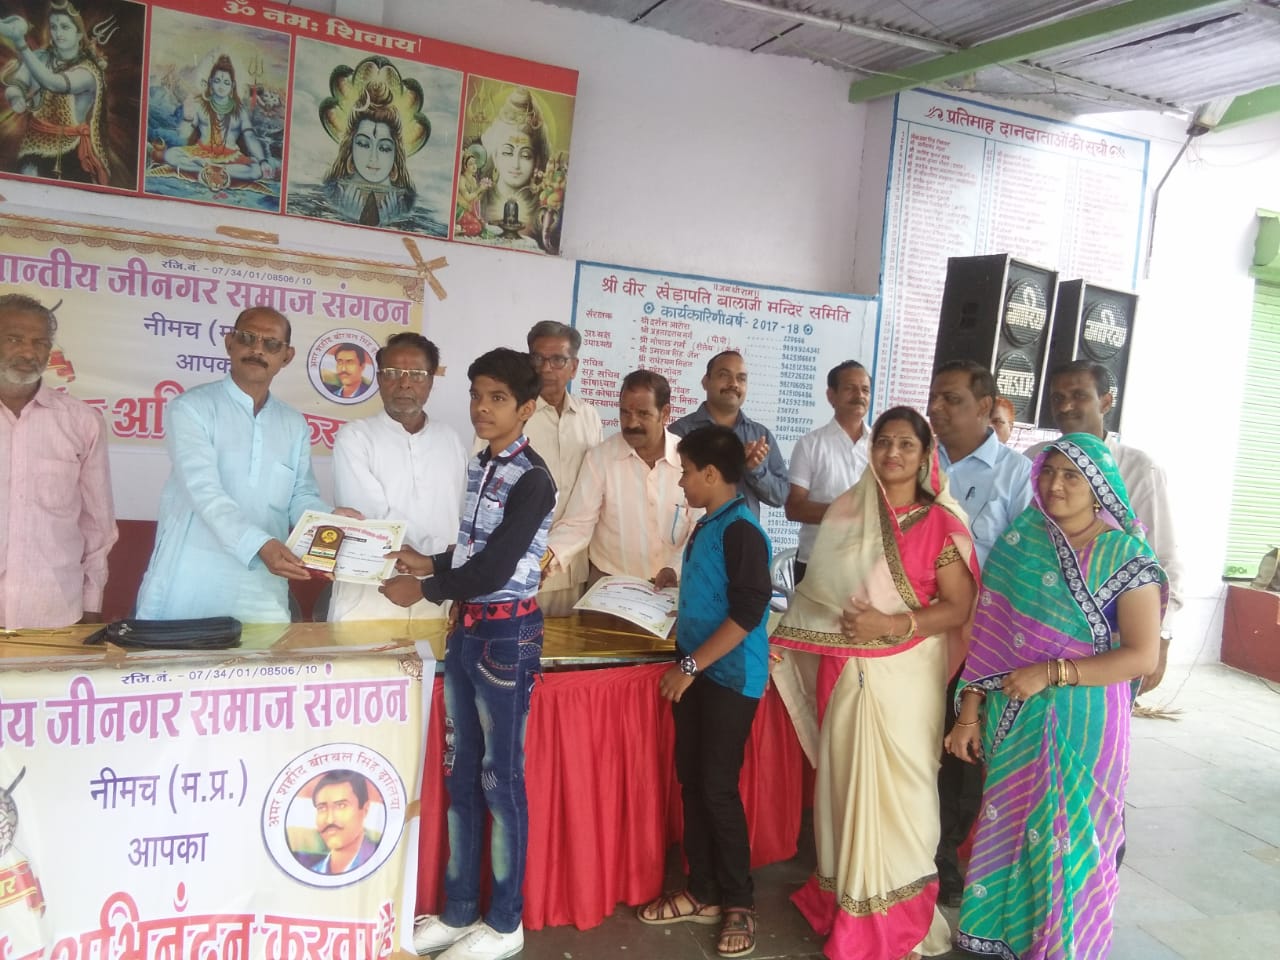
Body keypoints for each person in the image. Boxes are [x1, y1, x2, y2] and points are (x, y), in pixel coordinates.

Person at [946, 433, 1165, 960]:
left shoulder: (1126, 554)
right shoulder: (1020, 542)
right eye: (1047, 472)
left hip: (1084, 721)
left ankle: (1065, 946)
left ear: (1099, 486)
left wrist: (1051, 673)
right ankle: (1011, 940)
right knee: (1012, 827)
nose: (1055, 485)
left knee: (1074, 840)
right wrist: (969, 714)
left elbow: (1141, 656)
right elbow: (988, 638)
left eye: (1071, 475)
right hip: (1014, 716)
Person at [771, 407, 978, 960]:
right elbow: (819, 596)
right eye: (884, 442)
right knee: (842, 787)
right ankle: (848, 900)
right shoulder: (847, 511)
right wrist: (787, 635)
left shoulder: (941, 523)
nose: (892, 453)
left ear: (925, 454)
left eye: (906, 444)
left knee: (904, 792)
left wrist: (891, 625)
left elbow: (959, 608)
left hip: (906, 678)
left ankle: (896, 918)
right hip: (843, 671)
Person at [382, 348, 555, 960]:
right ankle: (459, 911)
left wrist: (425, 588)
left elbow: (497, 567)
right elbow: (473, 552)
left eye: (498, 398)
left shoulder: (533, 478)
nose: (482, 408)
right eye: (477, 395)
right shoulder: (481, 464)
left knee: (500, 780)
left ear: (526, 408)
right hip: (467, 632)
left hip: (507, 638)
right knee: (461, 775)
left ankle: (505, 922)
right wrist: (426, 561)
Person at [637, 425, 772, 960]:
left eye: (687, 473)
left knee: (717, 788)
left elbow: (749, 610)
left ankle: (740, 901)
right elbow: (718, 591)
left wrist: (691, 666)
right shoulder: (709, 524)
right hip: (698, 672)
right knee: (692, 783)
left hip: (728, 678)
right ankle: (702, 891)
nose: (682, 483)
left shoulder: (742, 530)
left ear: (712, 475)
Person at [135, 306, 353, 623]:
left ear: (287, 356)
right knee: (180, 653)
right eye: (248, 338)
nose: (257, 350)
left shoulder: (293, 424)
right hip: (190, 582)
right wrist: (259, 544)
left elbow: (300, 496)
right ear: (230, 343)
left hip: (262, 589)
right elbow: (204, 491)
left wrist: (330, 519)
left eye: (271, 344)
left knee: (264, 652)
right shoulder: (192, 408)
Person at [926, 358, 1032, 907]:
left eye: (952, 399)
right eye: (934, 398)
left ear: (986, 407)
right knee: (915, 742)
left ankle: (944, 856)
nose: (937, 409)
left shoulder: (1017, 476)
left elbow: (1025, 566)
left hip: (981, 641)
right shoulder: (921, 463)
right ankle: (908, 844)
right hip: (917, 631)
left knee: (960, 751)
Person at [1032, 360, 1183, 695]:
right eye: (1058, 398)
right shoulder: (1035, 460)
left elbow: (1164, 559)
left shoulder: (1138, 468)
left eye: (1078, 395)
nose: (1066, 406)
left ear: (1105, 401)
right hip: (1037, 632)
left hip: (1110, 643)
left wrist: (1161, 639)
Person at [328, 333, 466, 623]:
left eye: (416, 374)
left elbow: (461, 517)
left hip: (435, 595)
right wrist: (436, 558)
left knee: (435, 654)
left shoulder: (450, 439)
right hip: (371, 595)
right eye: (392, 373)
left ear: (431, 381)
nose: (404, 383)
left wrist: (444, 576)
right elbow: (370, 518)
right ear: (379, 379)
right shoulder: (356, 436)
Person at [0, 293, 117, 628]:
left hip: (53, 612)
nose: (28, 353)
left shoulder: (81, 422)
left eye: (40, 343)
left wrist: (92, 602)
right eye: (14, 339)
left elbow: (98, 524)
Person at [545, 370, 698, 588]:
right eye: (625, 412)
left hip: (675, 584)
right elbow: (578, 524)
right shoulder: (600, 458)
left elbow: (698, 528)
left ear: (665, 414)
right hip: (610, 584)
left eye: (643, 414)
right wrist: (544, 559)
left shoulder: (689, 460)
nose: (631, 423)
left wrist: (674, 569)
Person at [522, 321, 603, 616]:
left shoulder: (589, 417)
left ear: (574, 367)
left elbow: (597, 490)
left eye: (558, 360)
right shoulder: (511, 413)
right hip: (521, 568)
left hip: (573, 567)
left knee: (568, 645)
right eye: (538, 358)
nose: (546, 368)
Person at [0, 0, 110, 184]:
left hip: (72, 151)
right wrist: (15, 97)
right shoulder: (40, 57)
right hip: (34, 145)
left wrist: (20, 43)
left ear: (78, 34)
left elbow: (53, 83)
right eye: (54, 27)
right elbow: (17, 84)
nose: (58, 33)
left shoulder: (88, 71)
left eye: (65, 27)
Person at [670, 350, 788, 519]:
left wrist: (755, 470)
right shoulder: (680, 432)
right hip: (693, 532)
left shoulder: (760, 436)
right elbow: (666, 490)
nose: (734, 384)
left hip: (743, 532)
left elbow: (781, 496)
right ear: (705, 381)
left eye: (741, 378)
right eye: (724, 375)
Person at [785, 360, 872, 583]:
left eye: (865, 390)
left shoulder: (881, 447)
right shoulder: (810, 444)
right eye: (850, 388)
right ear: (831, 395)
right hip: (817, 563)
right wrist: (851, 513)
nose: (859, 395)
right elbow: (794, 508)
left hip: (868, 566)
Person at [163, 54, 274, 183]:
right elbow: (183, 135)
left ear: (232, 86)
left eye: (226, 82)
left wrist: (262, 160)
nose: (221, 86)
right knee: (170, 155)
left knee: (256, 170)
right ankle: (213, 171)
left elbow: (250, 137)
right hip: (202, 155)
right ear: (210, 82)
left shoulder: (240, 110)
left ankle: (213, 171)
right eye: (217, 81)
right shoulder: (200, 104)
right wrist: (187, 118)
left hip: (230, 158)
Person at [323, 81, 416, 227]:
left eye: (384, 148)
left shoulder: (406, 204)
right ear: (350, 151)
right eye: (363, 144)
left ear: (395, 157)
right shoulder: (331, 193)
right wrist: (347, 216)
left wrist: (390, 222)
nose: (373, 158)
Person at [477, 86, 549, 233]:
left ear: (536, 161)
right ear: (495, 156)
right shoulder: (479, 200)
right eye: (507, 153)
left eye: (525, 156)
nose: (515, 164)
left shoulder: (543, 210)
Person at [305, 770, 377, 875]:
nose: (329, 820)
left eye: (341, 806)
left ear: (365, 809)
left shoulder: (380, 863)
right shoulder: (313, 873)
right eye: (322, 808)